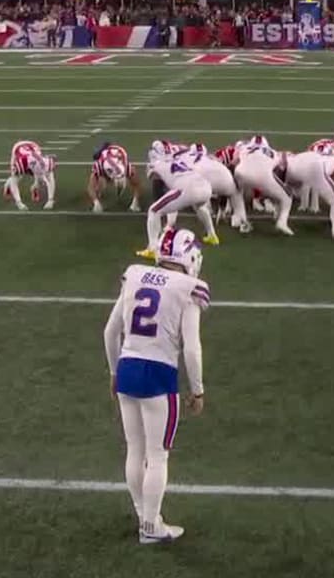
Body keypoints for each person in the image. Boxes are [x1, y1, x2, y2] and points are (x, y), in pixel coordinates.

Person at [104, 227, 209, 544]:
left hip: (126, 367)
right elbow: (191, 348)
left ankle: (144, 514)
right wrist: (198, 388)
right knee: (158, 455)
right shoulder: (188, 287)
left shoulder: (135, 274)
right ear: (189, 256)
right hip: (159, 373)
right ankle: (151, 526)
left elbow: (110, 332)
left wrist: (113, 372)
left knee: (135, 450)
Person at [137, 152, 219, 259]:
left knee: (153, 210)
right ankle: (212, 235)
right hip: (206, 187)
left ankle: (152, 249)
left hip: (187, 188)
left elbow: (151, 176)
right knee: (199, 206)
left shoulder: (155, 164)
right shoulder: (180, 161)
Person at [231, 135, 294, 236]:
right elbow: (281, 169)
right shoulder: (273, 152)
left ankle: (242, 221)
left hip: (241, 173)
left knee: (237, 193)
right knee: (287, 198)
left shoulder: (243, 148)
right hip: (263, 176)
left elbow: (233, 162)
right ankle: (282, 222)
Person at [88, 142, 141, 213]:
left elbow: (136, 184)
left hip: (115, 158)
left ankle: (135, 204)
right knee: (95, 184)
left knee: (135, 180)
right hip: (107, 160)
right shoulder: (99, 165)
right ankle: (97, 203)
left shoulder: (126, 167)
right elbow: (91, 187)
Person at [4, 140, 56, 210]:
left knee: (42, 179)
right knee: (17, 177)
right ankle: (7, 185)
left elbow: (50, 180)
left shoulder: (46, 163)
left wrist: (50, 200)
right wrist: (19, 203)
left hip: (32, 146)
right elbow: (14, 181)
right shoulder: (22, 163)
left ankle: (34, 188)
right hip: (18, 148)